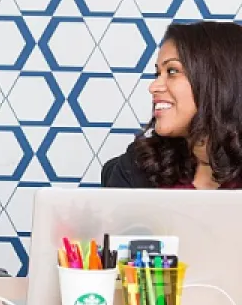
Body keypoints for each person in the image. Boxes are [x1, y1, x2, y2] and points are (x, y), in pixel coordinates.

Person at [102, 20, 242, 190]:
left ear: (219, 81)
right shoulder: (137, 166)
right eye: (157, 73)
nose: (153, 87)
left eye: (172, 71)